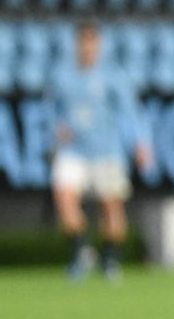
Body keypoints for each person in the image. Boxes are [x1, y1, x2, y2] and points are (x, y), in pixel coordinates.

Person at [48, 20, 154, 282]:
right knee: (63, 197)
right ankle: (82, 252)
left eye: (91, 42)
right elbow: (51, 111)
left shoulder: (112, 76)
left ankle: (110, 260)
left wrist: (140, 143)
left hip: (106, 151)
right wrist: (55, 132)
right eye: (82, 42)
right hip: (73, 150)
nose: (86, 48)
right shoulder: (62, 75)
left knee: (111, 207)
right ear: (76, 44)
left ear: (98, 45)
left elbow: (130, 111)